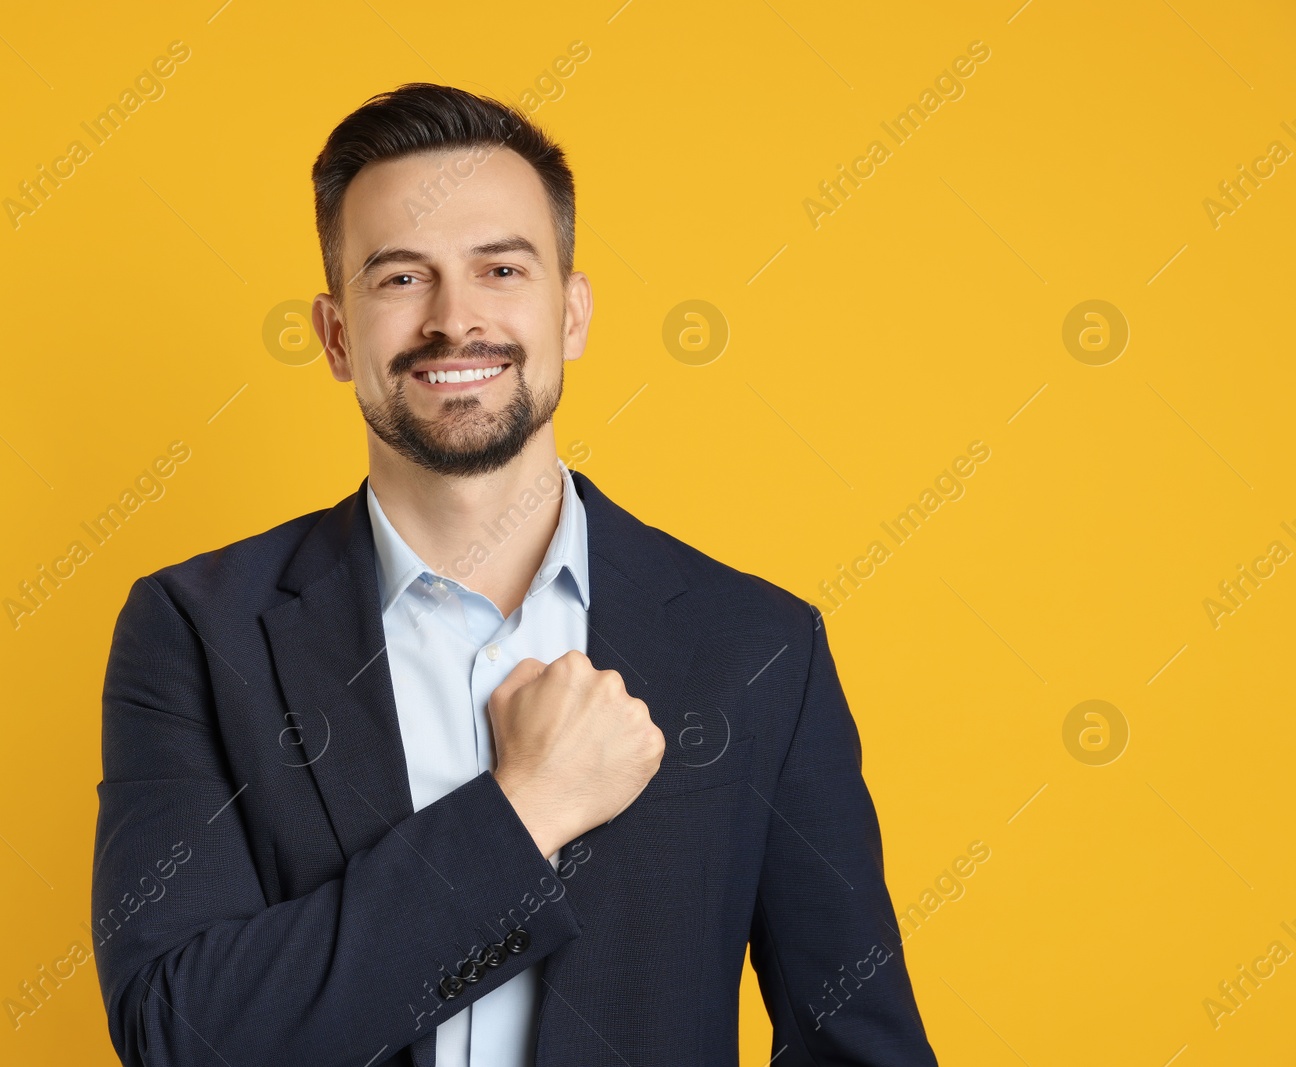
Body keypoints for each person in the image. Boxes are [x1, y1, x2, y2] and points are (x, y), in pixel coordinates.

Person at [91, 82, 938, 1067]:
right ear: (334, 335)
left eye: (500, 268)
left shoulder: (755, 645)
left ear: (570, 312)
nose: (455, 320)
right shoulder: (198, 631)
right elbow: (175, 1030)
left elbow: (858, 1041)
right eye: (400, 278)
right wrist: (522, 808)